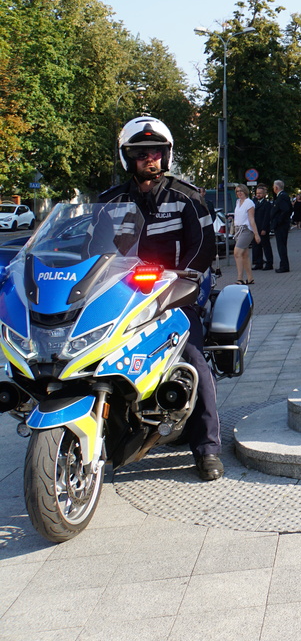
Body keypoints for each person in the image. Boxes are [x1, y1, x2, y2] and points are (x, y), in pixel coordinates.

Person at [101, 116, 223, 480]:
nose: (149, 159)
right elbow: (93, 249)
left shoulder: (187, 196)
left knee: (193, 360)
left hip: (174, 296)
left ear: (166, 156)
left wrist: (180, 282)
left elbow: (203, 248)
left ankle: (207, 449)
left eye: (155, 152)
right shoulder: (110, 201)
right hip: (121, 298)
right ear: (128, 159)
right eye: (140, 153)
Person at [230, 183, 260, 285]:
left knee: (237, 253)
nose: (239, 193)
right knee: (245, 255)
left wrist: (256, 234)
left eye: (240, 191)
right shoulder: (238, 202)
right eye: (237, 191)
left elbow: (251, 219)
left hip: (246, 230)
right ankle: (250, 278)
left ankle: (239, 278)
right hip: (238, 230)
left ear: (245, 191)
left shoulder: (249, 203)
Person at [251, 184, 274, 271]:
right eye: (257, 193)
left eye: (260, 193)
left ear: (264, 194)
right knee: (256, 246)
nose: (258, 195)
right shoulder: (254, 203)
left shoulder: (267, 204)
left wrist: (264, 228)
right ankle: (258, 262)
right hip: (255, 228)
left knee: (266, 246)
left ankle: (269, 263)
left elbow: (267, 217)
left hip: (262, 228)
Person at [271, 179, 291, 272]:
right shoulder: (284, 196)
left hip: (281, 226)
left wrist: (279, 221)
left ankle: (284, 266)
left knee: (281, 246)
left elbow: (286, 210)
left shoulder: (282, 197)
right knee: (282, 245)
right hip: (283, 224)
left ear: (276, 187)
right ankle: (284, 265)